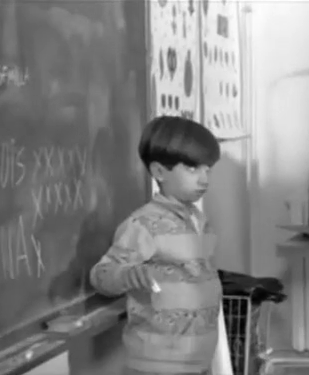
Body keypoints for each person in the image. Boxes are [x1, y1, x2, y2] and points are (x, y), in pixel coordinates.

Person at [90, 116, 223, 375]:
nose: (204, 179)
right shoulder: (144, 224)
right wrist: (128, 275)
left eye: (208, 169)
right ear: (160, 172)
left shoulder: (198, 219)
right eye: (193, 169)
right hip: (157, 364)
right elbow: (101, 275)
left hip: (197, 359)